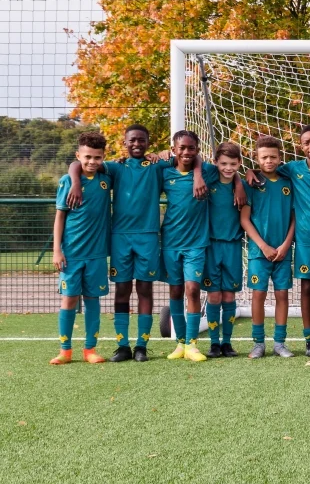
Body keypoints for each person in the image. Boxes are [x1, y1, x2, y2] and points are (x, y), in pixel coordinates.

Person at [65, 124, 206, 363]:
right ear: (124, 143)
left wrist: (197, 172)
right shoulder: (114, 168)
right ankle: (123, 346)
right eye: (132, 141)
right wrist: (75, 182)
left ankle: (142, 345)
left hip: (149, 237)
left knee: (144, 290)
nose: (137, 144)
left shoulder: (158, 166)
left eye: (142, 140)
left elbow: (193, 157)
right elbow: (76, 163)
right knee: (122, 290)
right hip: (120, 237)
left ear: (149, 143)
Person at [248, 124, 310, 357]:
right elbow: (265, 166)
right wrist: (249, 171)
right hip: (303, 244)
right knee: (306, 289)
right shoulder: (292, 169)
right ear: (301, 147)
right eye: (306, 143)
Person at [51, 132, 112, 365]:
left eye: (97, 157)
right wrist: (57, 250)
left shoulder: (106, 179)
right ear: (79, 156)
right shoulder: (67, 181)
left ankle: (90, 349)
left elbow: (89, 165)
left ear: (103, 157)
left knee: (93, 300)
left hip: (96, 255)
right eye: (87, 157)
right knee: (69, 300)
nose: (92, 162)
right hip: (72, 255)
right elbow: (59, 217)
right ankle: (65, 350)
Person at [160, 130, 220, 362]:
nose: (186, 152)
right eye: (181, 148)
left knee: (193, 289)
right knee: (175, 291)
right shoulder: (164, 173)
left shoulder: (206, 172)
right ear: (174, 149)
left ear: (197, 150)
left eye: (191, 148)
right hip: (171, 242)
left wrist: (241, 182)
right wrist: (159, 154)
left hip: (196, 243)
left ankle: (192, 344)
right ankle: (180, 343)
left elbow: (230, 171)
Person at [239, 135, 296, 359]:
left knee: (283, 295)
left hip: (283, 252)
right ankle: (258, 343)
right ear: (257, 158)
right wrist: (262, 245)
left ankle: (280, 343)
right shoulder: (250, 184)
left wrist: (285, 244)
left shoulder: (288, 183)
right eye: (264, 157)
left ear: (280, 158)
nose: (269, 161)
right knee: (258, 295)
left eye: (273, 156)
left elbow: (294, 217)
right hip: (258, 253)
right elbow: (244, 219)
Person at [203, 142, 246, 358]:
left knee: (229, 296)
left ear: (239, 163)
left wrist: (239, 182)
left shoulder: (243, 185)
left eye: (233, 164)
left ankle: (227, 342)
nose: (228, 168)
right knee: (214, 296)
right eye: (223, 163)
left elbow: (246, 176)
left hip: (233, 246)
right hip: (211, 245)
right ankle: (213, 343)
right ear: (215, 163)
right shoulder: (209, 179)